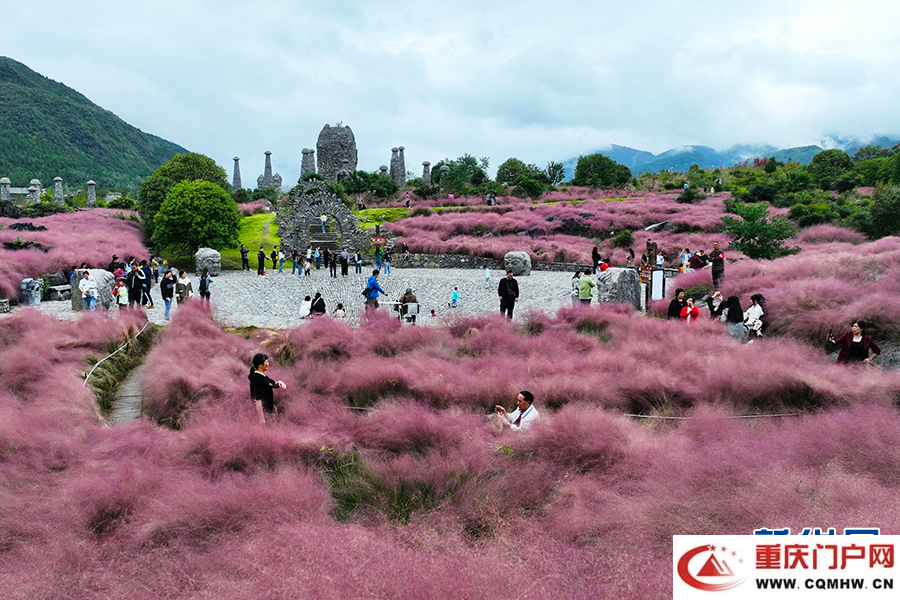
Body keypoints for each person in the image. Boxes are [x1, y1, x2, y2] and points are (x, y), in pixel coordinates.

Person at [249, 353, 286, 424]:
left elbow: (272, 384)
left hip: (269, 411)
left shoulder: (263, 376)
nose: (268, 364)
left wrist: (279, 383)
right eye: (266, 362)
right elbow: (257, 400)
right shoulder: (256, 378)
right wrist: (261, 418)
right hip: (264, 414)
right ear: (260, 365)